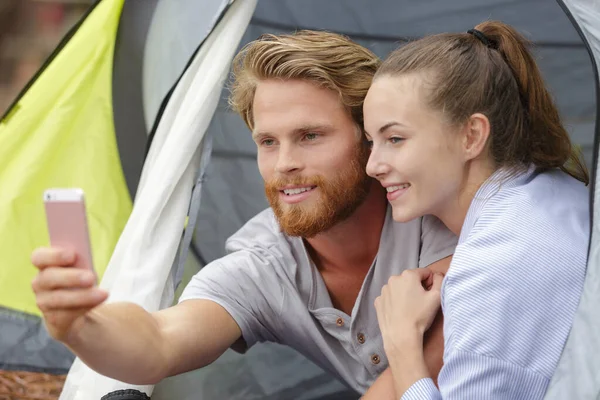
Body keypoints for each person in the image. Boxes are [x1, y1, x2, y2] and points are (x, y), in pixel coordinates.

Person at [30, 30, 457, 397]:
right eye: (267, 142)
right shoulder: (264, 264)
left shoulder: (438, 213)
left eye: (310, 136)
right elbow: (159, 342)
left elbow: (431, 364)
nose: (284, 163)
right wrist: (83, 325)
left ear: (369, 140)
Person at [363, 20, 590, 399]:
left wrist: (401, 344)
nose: (373, 166)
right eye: (371, 141)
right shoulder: (557, 191)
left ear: (471, 136)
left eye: (395, 138)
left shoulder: (493, 268)